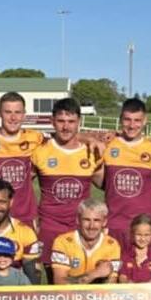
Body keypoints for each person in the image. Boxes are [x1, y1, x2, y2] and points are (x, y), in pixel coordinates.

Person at [31, 98, 102, 269]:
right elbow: (22, 187)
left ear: (79, 122)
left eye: (71, 121)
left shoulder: (92, 151)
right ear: (52, 121)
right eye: (61, 121)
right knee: (51, 278)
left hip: (82, 227)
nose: (66, 127)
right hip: (49, 227)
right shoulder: (39, 151)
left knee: (82, 276)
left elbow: (106, 184)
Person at [95, 97, 151, 251]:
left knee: (145, 266)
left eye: (137, 120)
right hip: (113, 225)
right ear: (120, 119)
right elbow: (102, 181)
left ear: (145, 120)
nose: (132, 125)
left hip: (144, 228)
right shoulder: (107, 145)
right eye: (127, 120)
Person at [0, 92, 45, 224]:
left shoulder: (34, 138)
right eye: (8, 112)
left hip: (25, 218)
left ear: (24, 114)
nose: (13, 117)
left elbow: (62, 140)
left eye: (17, 112)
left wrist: (85, 137)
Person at [49, 198, 121, 285]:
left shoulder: (112, 245)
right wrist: (94, 274)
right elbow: (60, 283)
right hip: (70, 294)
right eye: (86, 220)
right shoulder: (63, 242)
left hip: (97, 293)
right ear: (78, 220)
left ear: (104, 222)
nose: (91, 226)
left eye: (96, 220)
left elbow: (110, 286)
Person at [116, 214, 151, 284]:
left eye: (146, 235)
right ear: (132, 233)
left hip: (150, 290)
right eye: (138, 234)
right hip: (131, 290)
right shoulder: (125, 254)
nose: (142, 239)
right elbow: (122, 277)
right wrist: (130, 285)